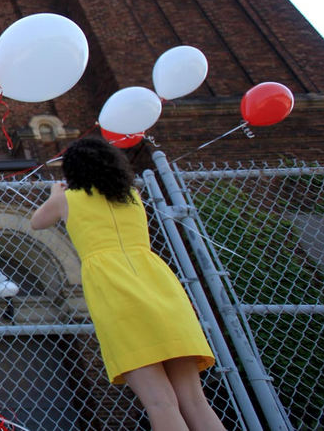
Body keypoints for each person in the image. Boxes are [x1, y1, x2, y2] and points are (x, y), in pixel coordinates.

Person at [31, 137, 225, 431]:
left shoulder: (66, 199)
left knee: (160, 402)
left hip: (118, 296)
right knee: (195, 400)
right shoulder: (133, 196)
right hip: (161, 289)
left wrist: (54, 191)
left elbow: (37, 222)